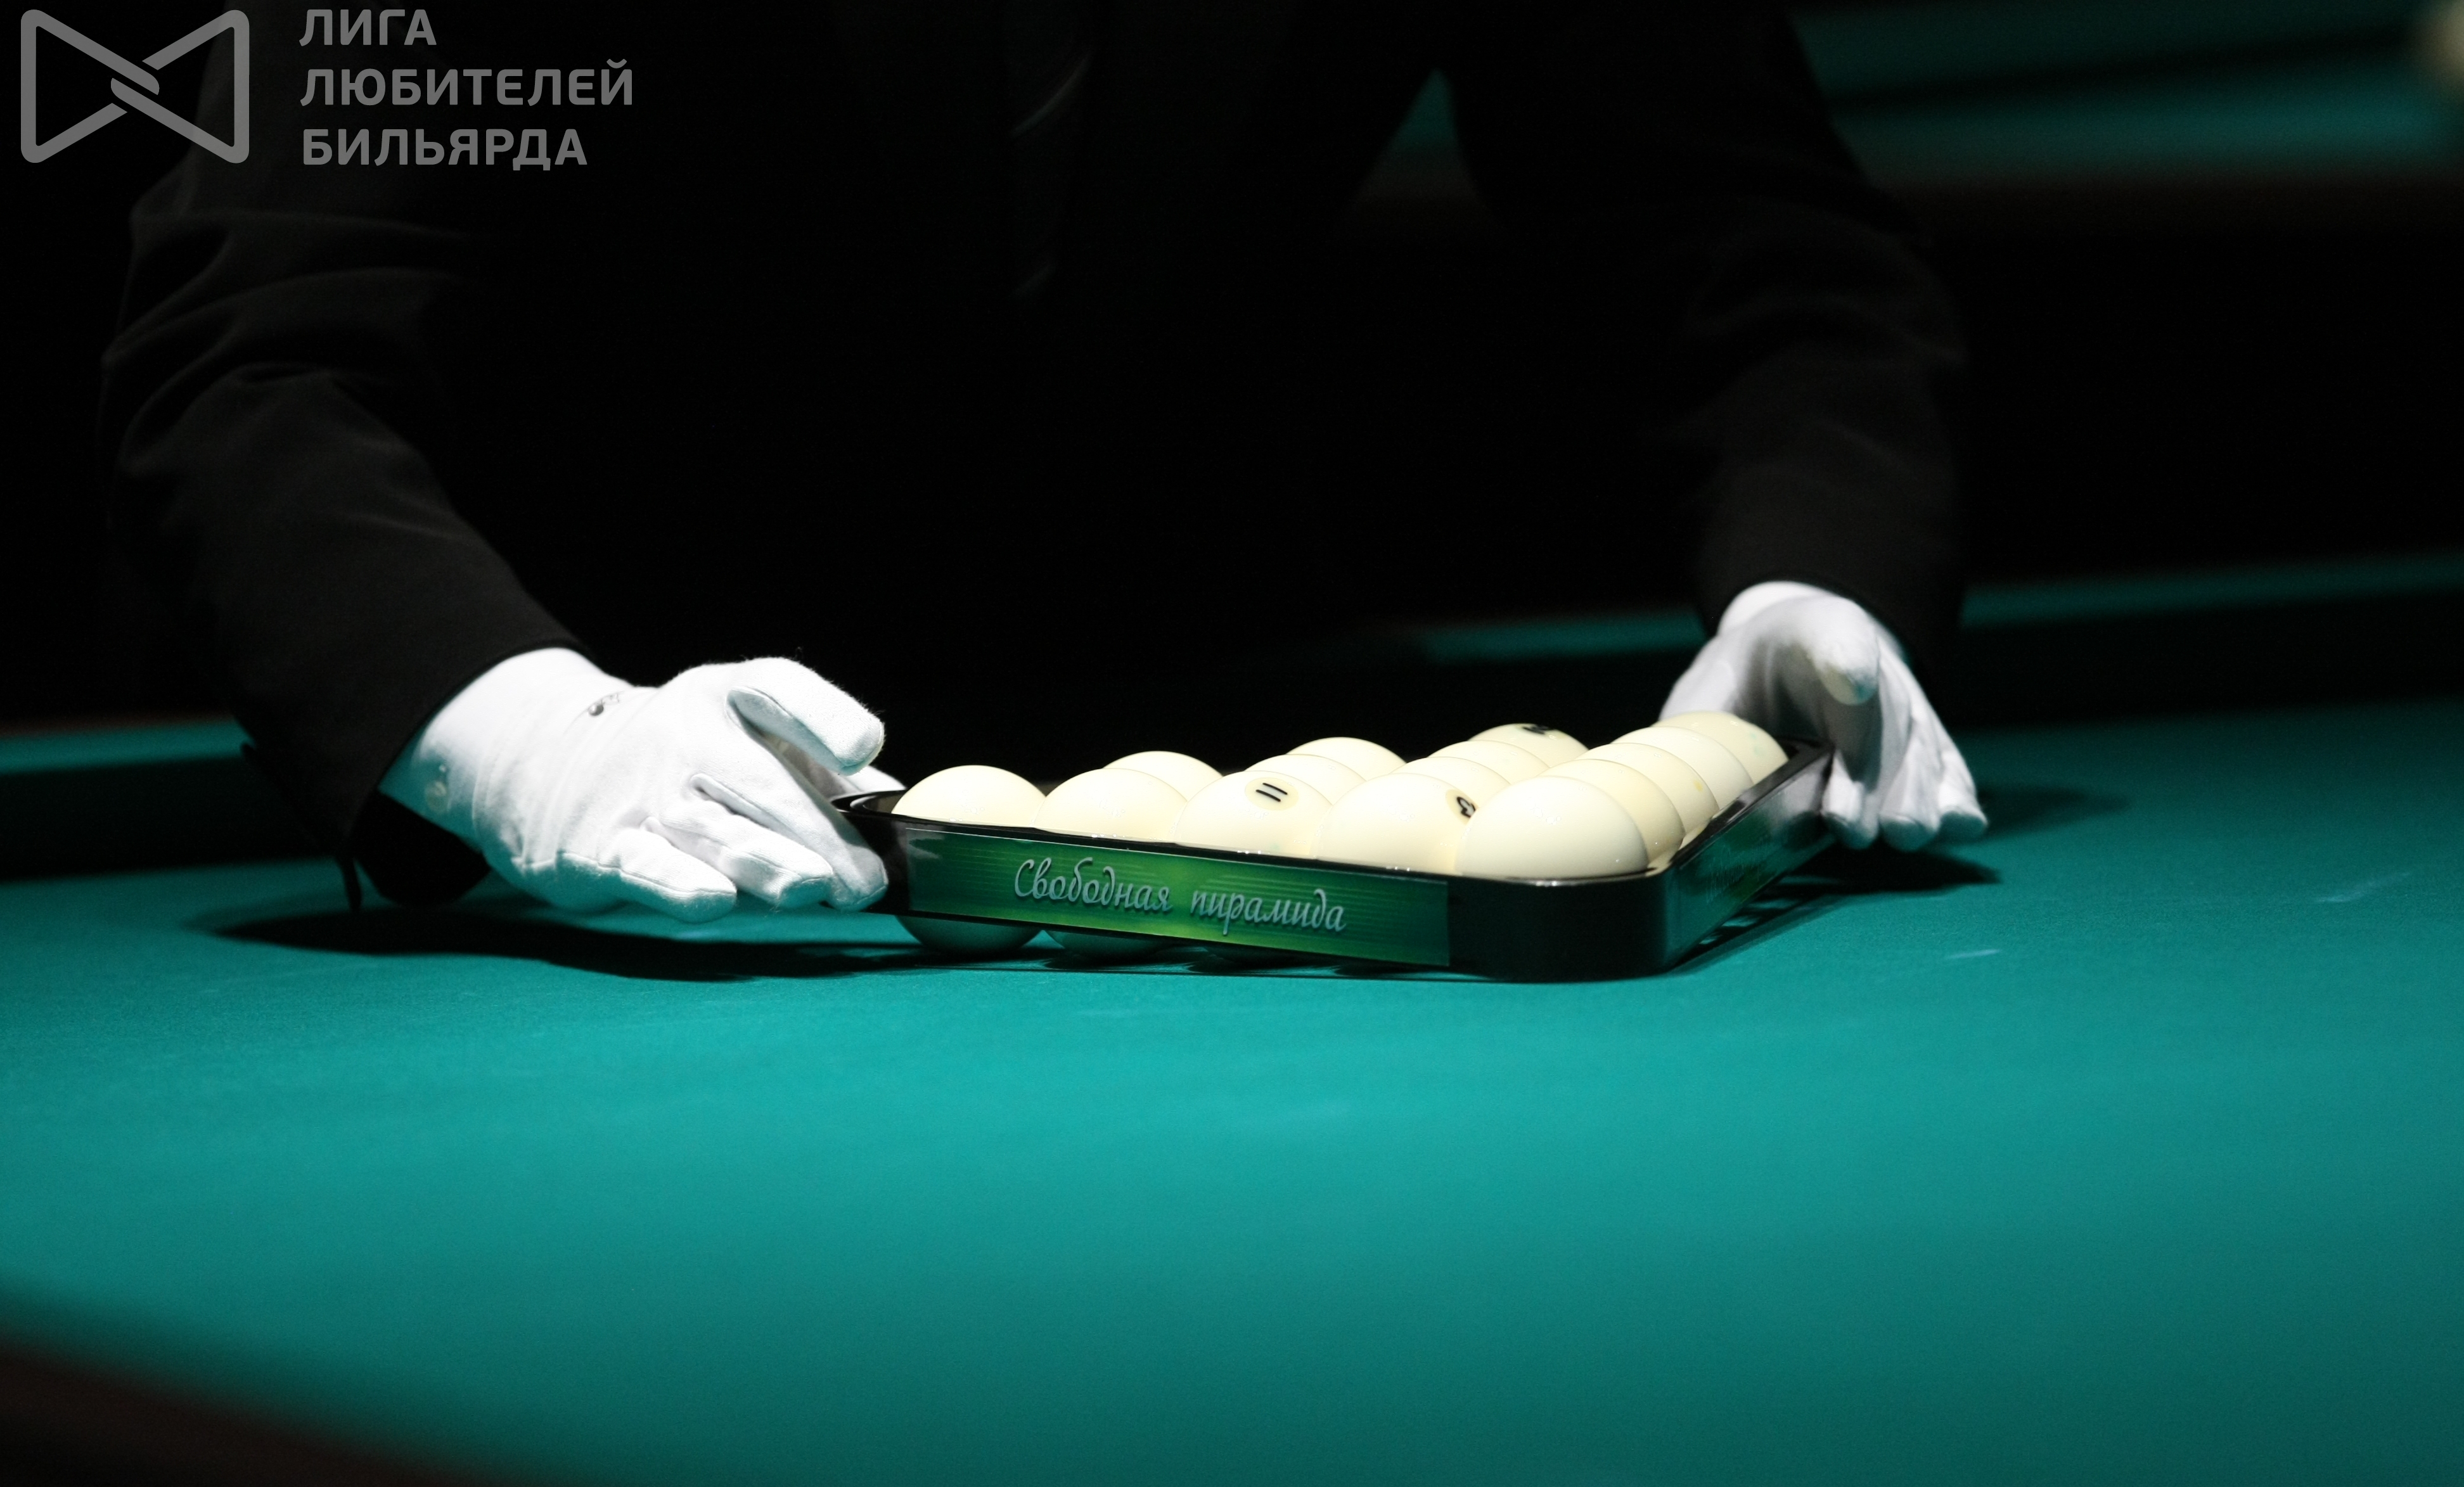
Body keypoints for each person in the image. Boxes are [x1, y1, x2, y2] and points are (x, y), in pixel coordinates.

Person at [104, 0, 1984, 924]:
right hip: (654, 795)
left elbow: (1745, 229)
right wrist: (535, 744)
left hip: (1234, 723)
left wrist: (1813, 575)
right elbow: (253, 356)